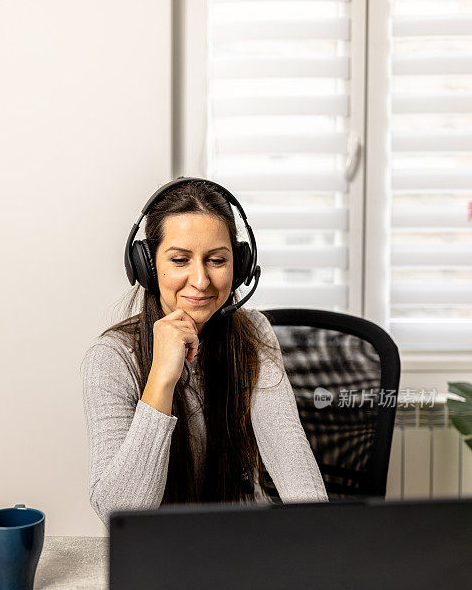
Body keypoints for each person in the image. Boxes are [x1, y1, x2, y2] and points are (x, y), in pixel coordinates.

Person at [82, 177, 328, 529]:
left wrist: (326, 541)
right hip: (160, 555)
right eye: (180, 260)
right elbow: (119, 514)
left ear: (240, 265)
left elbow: (292, 460)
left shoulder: (254, 333)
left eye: (216, 260)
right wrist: (161, 380)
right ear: (147, 267)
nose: (200, 280)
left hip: (246, 545)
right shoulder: (110, 359)